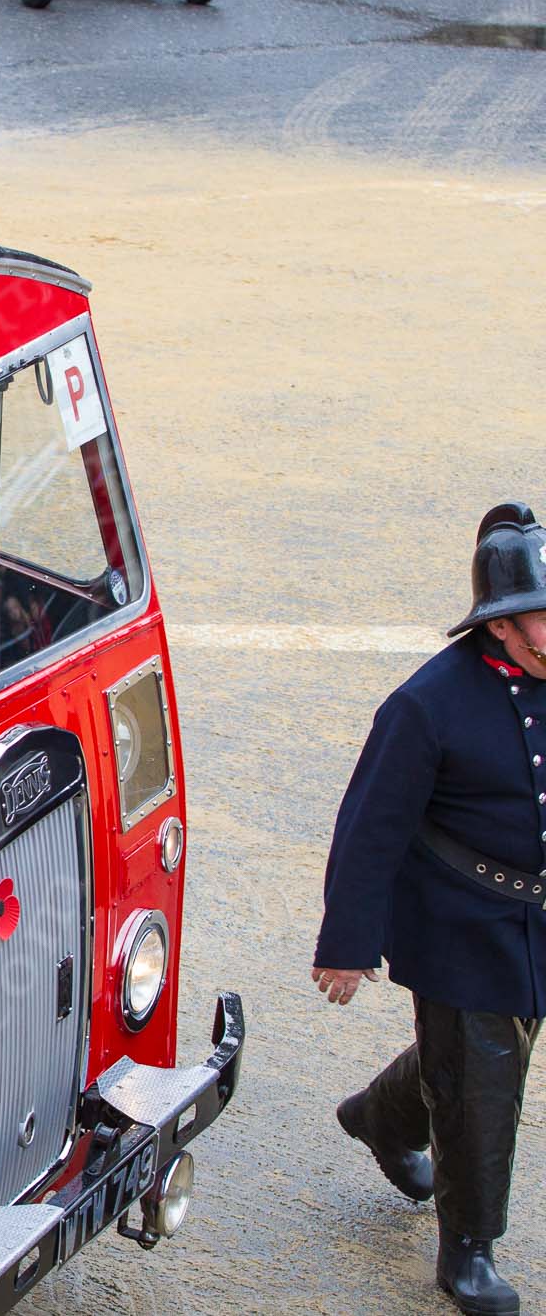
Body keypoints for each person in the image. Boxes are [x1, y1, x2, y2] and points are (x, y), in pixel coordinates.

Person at [313, 500, 546, 1316]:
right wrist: (347, 943)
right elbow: (371, 827)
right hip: (458, 919)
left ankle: (381, 1115)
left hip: (536, 919)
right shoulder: (426, 704)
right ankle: (469, 1252)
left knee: (483, 1056)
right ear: (502, 625)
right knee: (485, 1079)